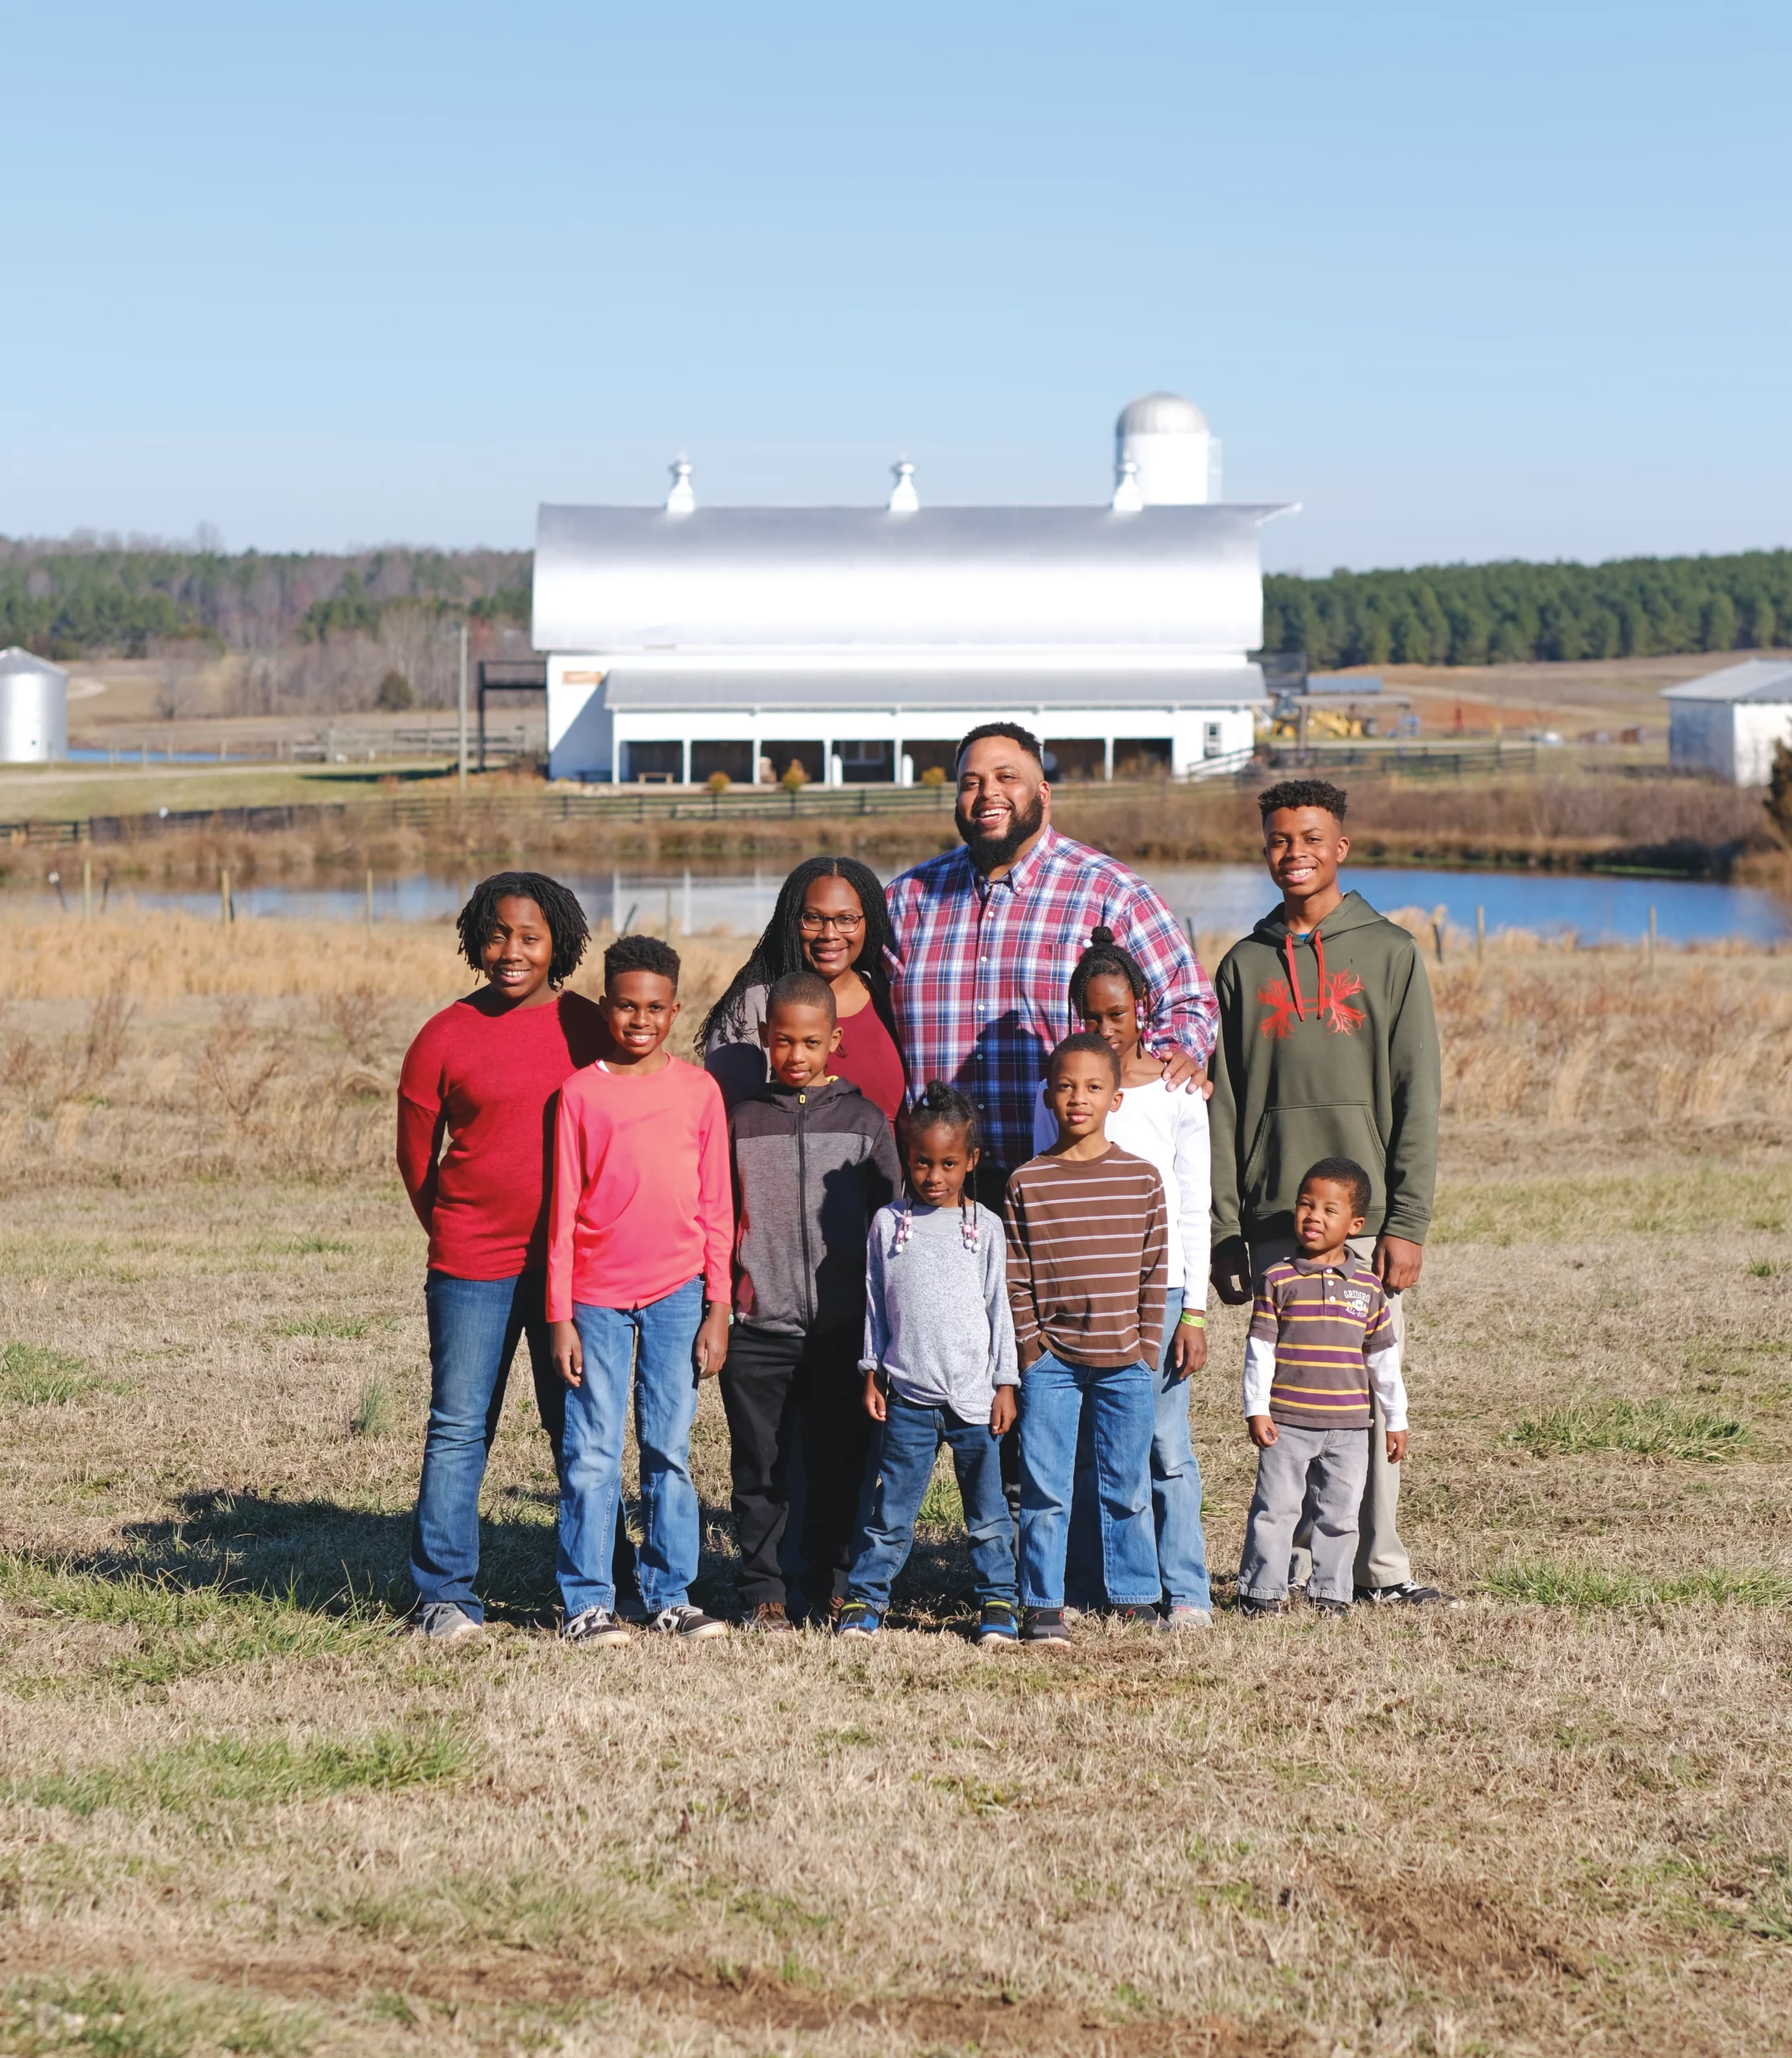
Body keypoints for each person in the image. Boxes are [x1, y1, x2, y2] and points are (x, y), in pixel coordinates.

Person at [1208, 778, 1449, 1608]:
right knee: (1289, 1394)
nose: (1294, 852)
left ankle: (1380, 1570)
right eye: (1279, 839)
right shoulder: (1241, 965)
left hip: (1365, 1221)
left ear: (1341, 846)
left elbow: (1419, 1095)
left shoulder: (1390, 953)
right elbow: (1227, 1106)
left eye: (1311, 837)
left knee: (1367, 1391)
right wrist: (1225, 1231)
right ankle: (1296, 1570)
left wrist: (1405, 1218)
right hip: (1276, 1216)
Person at [397, 871, 635, 1643]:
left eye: (529, 937)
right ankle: (444, 1597)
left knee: (583, 1427)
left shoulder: (589, 1027)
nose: (511, 950)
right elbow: (415, 1159)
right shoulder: (444, 1034)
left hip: (578, 1268)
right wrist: (459, 1230)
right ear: (475, 937)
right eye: (497, 933)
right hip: (472, 1266)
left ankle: (603, 1589)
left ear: (558, 944)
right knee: (460, 1426)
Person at [884, 723, 1217, 1201]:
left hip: (1064, 1183)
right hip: (937, 1190)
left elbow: (1189, 1002)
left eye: (1006, 777)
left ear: (1043, 793)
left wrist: (1159, 1077)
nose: (987, 794)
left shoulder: (1110, 894)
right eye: (971, 782)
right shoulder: (907, 900)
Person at [547, 933, 734, 1646]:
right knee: (592, 1452)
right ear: (605, 1008)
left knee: (668, 1450)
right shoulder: (578, 1094)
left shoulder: (698, 1091)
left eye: (655, 1008)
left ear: (676, 1010)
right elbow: (561, 1212)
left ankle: (669, 1594)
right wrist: (559, 1314)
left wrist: (717, 1306)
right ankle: (586, 1602)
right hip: (593, 1298)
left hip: (677, 1297)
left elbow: (717, 1207)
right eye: (626, 1006)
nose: (640, 1020)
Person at [1031, 926, 1212, 1627]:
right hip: (1081, 1295)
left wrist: (1191, 1311)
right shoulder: (1066, 1091)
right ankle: (1089, 1585)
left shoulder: (1175, 1091)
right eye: (1092, 1017)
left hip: (1158, 1296)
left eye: (1118, 1014)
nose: (1106, 1030)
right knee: (1085, 1447)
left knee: (1165, 1445)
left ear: (1143, 1005)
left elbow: (1193, 1207)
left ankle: (1186, 1589)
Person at [720, 970, 903, 1630]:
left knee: (837, 1463)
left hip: (843, 1330)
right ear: (766, 1039)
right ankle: (762, 1590)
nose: (795, 1056)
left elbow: (891, 1227)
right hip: (757, 1327)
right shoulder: (740, 1121)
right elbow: (722, 1220)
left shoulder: (863, 1122)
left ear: (835, 1039)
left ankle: (831, 1581)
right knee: (759, 1466)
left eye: (809, 1042)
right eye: (782, 1042)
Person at [837, 1081, 1021, 1646]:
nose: (933, 1176)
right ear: (905, 1155)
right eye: (921, 1162)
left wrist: (1005, 1384)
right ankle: (866, 1600)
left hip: (972, 1399)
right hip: (908, 1398)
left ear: (971, 1161)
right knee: (889, 1512)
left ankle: (997, 1602)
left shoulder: (985, 1227)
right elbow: (874, 1300)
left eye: (947, 1163)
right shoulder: (888, 1225)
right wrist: (871, 1368)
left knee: (988, 1514)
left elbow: (1000, 1308)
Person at [1005, 1031, 1169, 1646]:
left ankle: (1132, 1595)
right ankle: (1043, 1602)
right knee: (1046, 1487)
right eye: (1067, 1086)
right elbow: (1015, 1273)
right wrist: (1031, 1349)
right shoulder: (1029, 1180)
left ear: (1116, 1099)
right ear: (1048, 1096)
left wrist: (1146, 1346)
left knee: (1124, 1483)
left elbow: (1156, 1269)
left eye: (1094, 1087)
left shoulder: (1141, 1178)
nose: (1079, 1098)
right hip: (1052, 1364)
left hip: (1125, 1360)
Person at [1236, 1158, 1408, 1617]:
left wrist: (1396, 1419)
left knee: (1340, 1517)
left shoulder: (1369, 1289)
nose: (1313, 1216)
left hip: (1350, 1429)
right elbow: (1260, 1349)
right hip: (1288, 1424)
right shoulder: (1278, 1279)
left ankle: (1332, 1594)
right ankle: (1261, 1592)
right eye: (1305, 1204)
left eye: (1329, 1210)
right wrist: (1257, 1407)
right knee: (1275, 1510)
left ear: (1355, 1225)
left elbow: (1383, 1360)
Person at [703, 855, 904, 1122]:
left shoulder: (888, 991)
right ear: (790, 922)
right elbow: (733, 1127)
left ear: (870, 922)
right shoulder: (753, 1008)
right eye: (813, 918)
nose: (830, 934)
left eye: (847, 919)